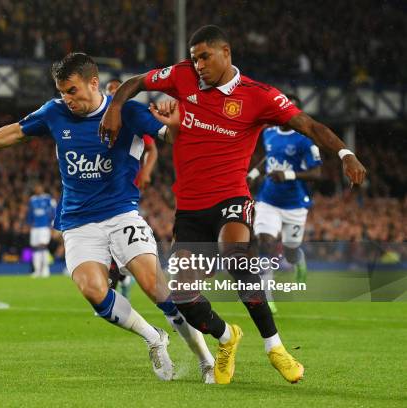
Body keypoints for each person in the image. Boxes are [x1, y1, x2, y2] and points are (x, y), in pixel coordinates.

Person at [99, 25, 366, 384]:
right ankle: (227, 338)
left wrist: (345, 153)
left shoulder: (260, 96)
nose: (198, 66)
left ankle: (275, 348)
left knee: (235, 253)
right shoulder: (181, 76)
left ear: (226, 52)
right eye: (194, 59)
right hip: (191, 208)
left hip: (231, 197)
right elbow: (135, 82)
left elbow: (309, 125)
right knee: (182, 293)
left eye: (205, 57)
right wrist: (115, 106)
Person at [0, 52, 217, 382]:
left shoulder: (126, 110)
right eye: (61, 92)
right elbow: (15, 132)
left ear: (93, 82)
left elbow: (168, 136)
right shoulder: (54, 112)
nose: (66, 99)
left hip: (121, 214)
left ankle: (206, 360)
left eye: (72, 90)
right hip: (78, 220)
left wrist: (174, 123)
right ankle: (153, 337)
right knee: (92, 289)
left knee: (155, 287)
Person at [247, 94, 322, 313]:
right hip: (268, 200)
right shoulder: (269, 133)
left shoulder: (305, 140)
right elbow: (267, 159)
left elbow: (317, 173)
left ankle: (298, 258)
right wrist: (253, 173)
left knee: (289, 251)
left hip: (294, 205)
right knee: (265, 242)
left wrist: (288, 175)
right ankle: (266, 296)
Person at [105, 78, 159, 299]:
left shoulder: (132, 118)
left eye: (117, 91)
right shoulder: (99, 117)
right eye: (110, 91)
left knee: (119, 230)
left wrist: (146, 171)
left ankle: (123, 277)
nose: (113, 94)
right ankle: (122, 279)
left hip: (125, 186)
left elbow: (152, 149)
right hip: (103, 184)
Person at [26, 183, 56, 278]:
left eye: (39, 187)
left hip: (44, 226)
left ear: (42, 188)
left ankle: (45, 270)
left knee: (43, 246)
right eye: (36, 188)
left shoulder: (48, 198)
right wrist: (29, 224)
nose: (37, 189)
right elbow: (30, 213)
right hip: (35, 227)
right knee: (35, 248)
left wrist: (52, 224)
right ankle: (37, 271)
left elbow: (54, 211)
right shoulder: (32, 199)